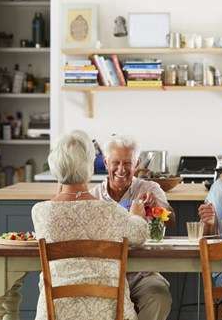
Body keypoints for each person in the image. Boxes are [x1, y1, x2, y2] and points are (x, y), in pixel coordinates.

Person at [32, 131, 149, 320]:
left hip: (57, 312)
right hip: (109, 312)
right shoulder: (110, 210)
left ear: (55, 165)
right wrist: (136, 215)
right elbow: (140, 234)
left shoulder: (41, 212)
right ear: (90, 166)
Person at [89, 134, 173, 320]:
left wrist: (156, 210)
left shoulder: (149, 188)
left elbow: (171, 219)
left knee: (159, 296)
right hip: (105, 274)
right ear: (105, 162)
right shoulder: (93, 196)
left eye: (127, 163)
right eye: (116, 162)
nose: (121, 169)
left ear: (136, 164)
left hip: (143, 274)